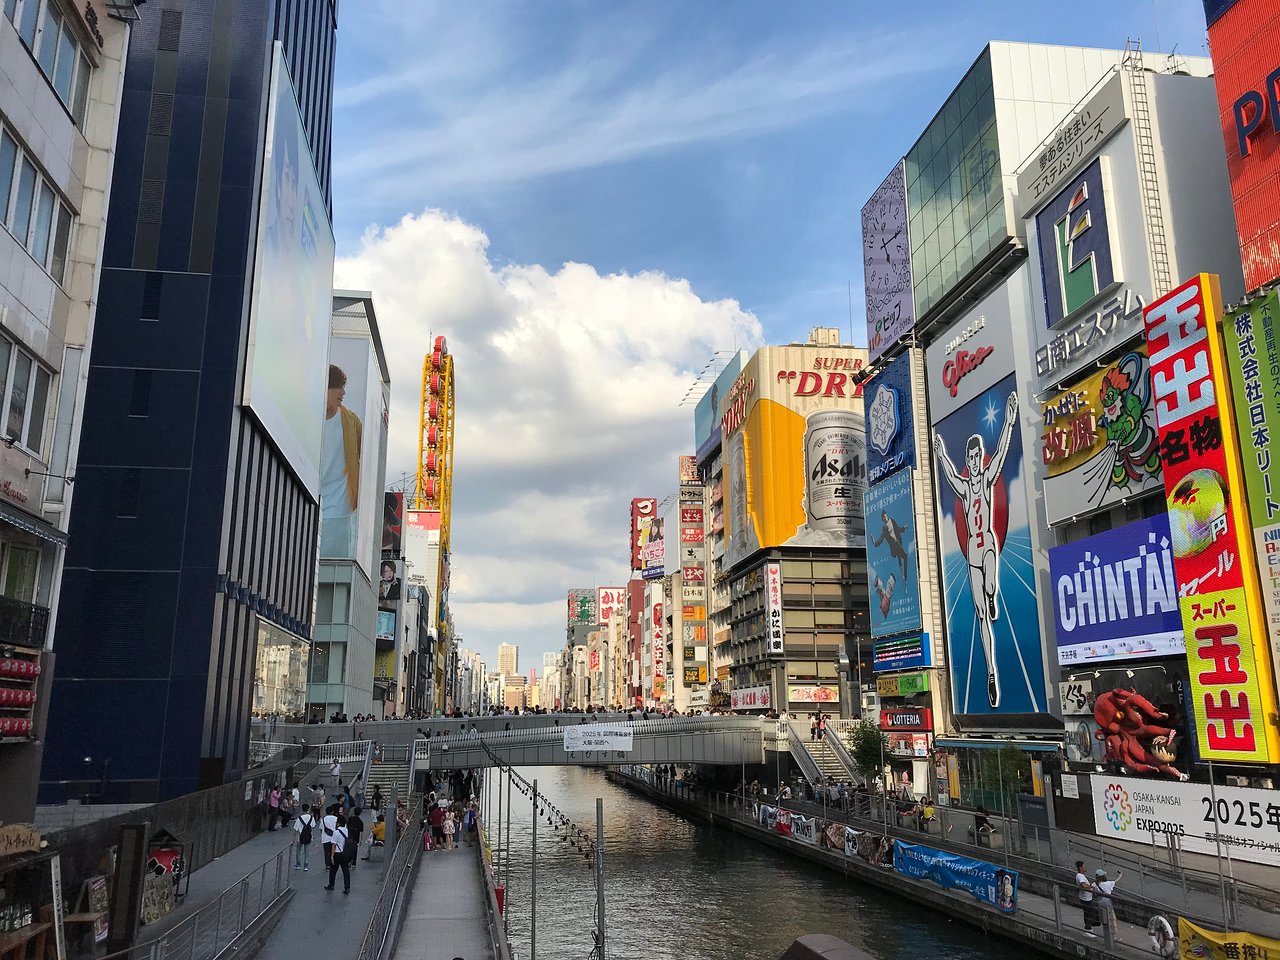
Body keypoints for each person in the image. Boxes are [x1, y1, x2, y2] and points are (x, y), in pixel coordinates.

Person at [935, 391, 1018, 708]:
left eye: (975, 457)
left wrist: (1009, 419)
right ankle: (991, 672)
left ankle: (994, 594)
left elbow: (1001, 451)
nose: (973, 462)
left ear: (979, 458)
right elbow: (948, 473)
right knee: (981, 614)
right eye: (969, 459)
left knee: (991, 588)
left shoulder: (986, 480)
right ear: (966, 461)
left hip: (987, 544)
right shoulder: (964, 487)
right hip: (972, 549)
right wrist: (942, 453)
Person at [319, 364, 363, 557]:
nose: (343, 392)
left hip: (340, 509)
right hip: (307, 501)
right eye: (338, 387)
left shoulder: (352, 422)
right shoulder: (304, 416)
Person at [871, 508, 911, 582]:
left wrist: (904, 528)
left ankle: (904, 576)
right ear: (882, 519)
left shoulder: (892, 521)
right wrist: (874, 543)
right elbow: (880, 539)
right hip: (894, 547)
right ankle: (904, 576)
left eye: (886, 516)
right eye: (884, 517)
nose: (886, 518)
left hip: (898, 543)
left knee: (903, 557)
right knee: (904, 556)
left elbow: (897, 529)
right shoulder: (884, 529)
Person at [324, 813, 351, 894]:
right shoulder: (346, 830)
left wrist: (332, 856)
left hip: (337, 854)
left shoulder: (336, 832)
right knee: (345, 871)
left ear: (338, 823)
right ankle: (347, 887)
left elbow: (334, 845)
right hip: (344, 853)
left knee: (333, 870)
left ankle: (331, 885)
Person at [1094, 868, 1122, 941]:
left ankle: (1108, 935)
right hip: (1107, 901)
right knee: (1113, 919)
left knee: (1105, 918)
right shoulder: (1107, 884)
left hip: (1100, 902)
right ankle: (1115, 936)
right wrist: (1120, 875)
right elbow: (1115, 881)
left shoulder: (1094, 884)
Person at [1075, 860, 1100, 937]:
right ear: (1080, 867)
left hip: (1086, 897)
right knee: (1091, 913)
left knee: (1087, 913)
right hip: (1086, 899)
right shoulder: (1080, 876)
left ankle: (1089, 930)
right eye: (1084, 866)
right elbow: (1083, 886)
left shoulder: (1080, 876)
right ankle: (1088, 928)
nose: (1085, 867)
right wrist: (1091, 887)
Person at [293, 805, 317, 871]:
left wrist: (293, 839)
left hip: (300, 837)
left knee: (298, 851)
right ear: (308, 809)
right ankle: (306, 866)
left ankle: (298, 865)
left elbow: (296, 829)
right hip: (308, 836)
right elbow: (312, 827)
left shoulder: (299, 818)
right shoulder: (311, 818)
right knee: (306, 851)